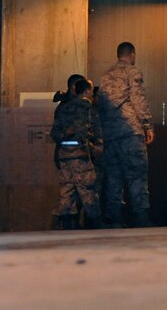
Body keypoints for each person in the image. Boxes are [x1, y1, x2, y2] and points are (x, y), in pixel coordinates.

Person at [97, 42, 155, 228]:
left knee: (114, 176)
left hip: (110, 134)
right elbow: (138, 100)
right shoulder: (132, 72)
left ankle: (114, 218)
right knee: (136, 174)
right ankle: (140, 216)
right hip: (130, 132)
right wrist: (148, 125)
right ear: (132, 54)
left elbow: (101, 105)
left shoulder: (105, 76)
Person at [50, 78, 103, 229]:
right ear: (87, 91)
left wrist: (66, 136)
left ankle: (56, 222)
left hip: (64, 155)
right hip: (79, 155)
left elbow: (54, 133)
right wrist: (93, 149)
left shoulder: (64, 107)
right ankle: (96, 226)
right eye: (91, 90)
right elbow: (82, 132)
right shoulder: (84, 104)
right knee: (88, 190)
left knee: (67, 192)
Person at [49, 73, 87, 229]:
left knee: (72, 195)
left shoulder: (75, 105)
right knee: (69, 194)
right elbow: (56, 134)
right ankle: (62, 222)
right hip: (69, 155)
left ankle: (69, 223)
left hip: (75, 154)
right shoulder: (67, 108)